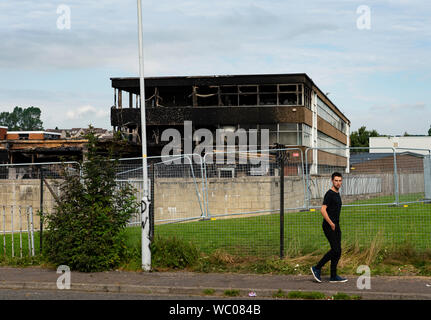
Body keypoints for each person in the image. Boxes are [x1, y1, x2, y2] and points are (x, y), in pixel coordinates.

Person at [310, 172, 348, 283]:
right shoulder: (330, 194)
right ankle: (317, 268)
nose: (338, 183)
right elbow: (323, 210)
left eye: (340, 180)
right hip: (329, 225)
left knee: (338, 251)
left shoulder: (337, 194)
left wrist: (335, 224)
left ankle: (333, 276)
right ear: (332, 181)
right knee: (335, 249)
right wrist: (331, 223)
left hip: (336, 225)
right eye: (336, 180)